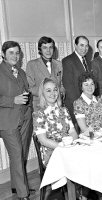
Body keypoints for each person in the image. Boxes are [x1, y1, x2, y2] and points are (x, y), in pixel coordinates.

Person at [0, 41, 33, 200]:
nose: (15, 56)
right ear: (3, 54)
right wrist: (13, 100)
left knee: (21, 154)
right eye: (11, 52)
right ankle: (23, 194)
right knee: (17, 155)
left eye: (17, 53)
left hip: (25, 118)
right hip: (8, 121)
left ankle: (17, 186)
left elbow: (26, 92)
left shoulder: (21, 71)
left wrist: (30, 108)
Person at [33, 78, 78, 166]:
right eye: (48, 91)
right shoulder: (38, 114)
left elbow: (72, 132)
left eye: (55, 90)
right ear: (42, 94)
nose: (53, 93)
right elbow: (43, 140)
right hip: (52, 153)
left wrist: (71, 144)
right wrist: (62, 147)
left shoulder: (64, 110)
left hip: (68, 148)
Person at [26, 36, 65, 111]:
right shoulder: (32, 64)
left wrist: (61, 91)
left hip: (57, 105)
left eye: (51, 47)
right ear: (40, 49)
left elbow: (62, 85)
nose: (48, 50)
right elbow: (30, 88)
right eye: (45, 48)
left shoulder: (59, 64)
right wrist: (48, 93)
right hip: (40, 106)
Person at [62, 35, 91, 127]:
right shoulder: (68, 61)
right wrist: (80, 105)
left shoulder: (88, 61)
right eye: (81, 45)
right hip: (75, 104)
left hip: (87, 103)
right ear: (75, 45)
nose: (84, 48)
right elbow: (69, 87)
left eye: (86, 46)